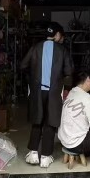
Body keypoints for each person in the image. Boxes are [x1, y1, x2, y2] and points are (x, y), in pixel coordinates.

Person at [21, 22, 73, 168]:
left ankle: (33, 153)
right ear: (57, 35)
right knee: (50, 123)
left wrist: (32, 80)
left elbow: (23, 65)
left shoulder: (35, 48)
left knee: (37, 121)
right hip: (54, 92)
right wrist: (66, 88)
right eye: (61, 35)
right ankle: (45, 156)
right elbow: (69, 73)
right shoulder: (62, 50)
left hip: (37, 91)